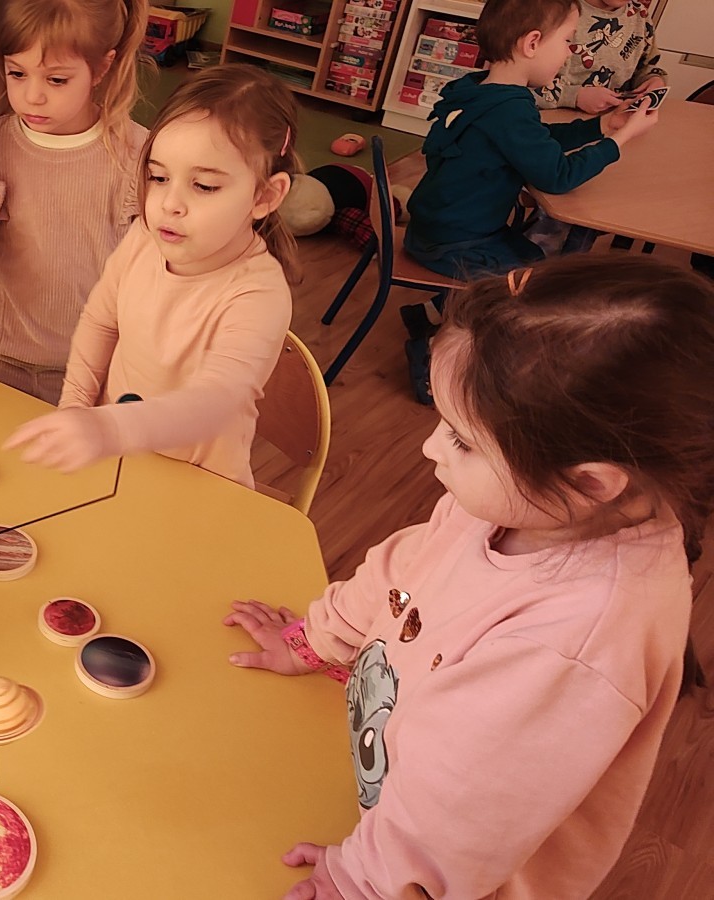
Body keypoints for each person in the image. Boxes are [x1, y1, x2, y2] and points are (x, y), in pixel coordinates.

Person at [224, 255, 714, 900]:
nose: (430, 447)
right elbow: (408, 569)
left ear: (590, 483)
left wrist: (361, 882)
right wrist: (320, 638)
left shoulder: (571, 645)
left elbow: (462, 819)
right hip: (382, 785)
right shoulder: (530, 503)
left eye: (461, 439)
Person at [4, 66, 297, 487]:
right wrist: (75, 406)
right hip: (116, 464)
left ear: (265, 196)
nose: (169, 204)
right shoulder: (145, 237)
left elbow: (216, 402)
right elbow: (101, 321)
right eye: (159, 177)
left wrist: (110, 428)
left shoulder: (259, 295)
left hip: (200, 486)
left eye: (204, 186)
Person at [0, 0, 152, 403]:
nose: (32, 96)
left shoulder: (140, 157)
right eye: (17, 73)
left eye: (56, 80)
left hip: (89, 373)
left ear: (101, 68)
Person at [402, 0, 657, 281]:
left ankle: (441, 306)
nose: (569, 52)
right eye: (567, 41)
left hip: (435, 228)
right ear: (532, 43)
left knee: (534, 257)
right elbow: (559, 177)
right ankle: (450, 307)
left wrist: (603, 125)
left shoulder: (481, 89)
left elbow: (537, 139)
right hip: (455, 244)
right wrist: (621, 138)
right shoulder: (508, 110)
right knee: (540, 278)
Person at [535, 0, 668, 113]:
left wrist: (653, 79)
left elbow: (646, 66)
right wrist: (574, 96)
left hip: (611, 122)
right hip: (554, 122)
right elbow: (524, 83)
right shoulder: (551, 9)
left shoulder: (640, 15)